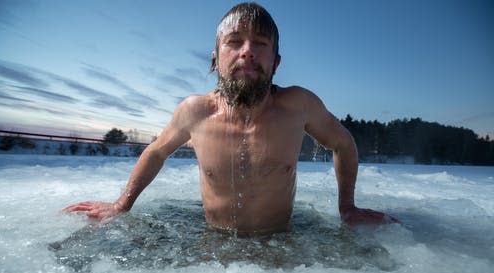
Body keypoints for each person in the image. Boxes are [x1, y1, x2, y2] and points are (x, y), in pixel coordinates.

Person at [63, 2, 397, 235]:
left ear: (276, 62)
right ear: (215, 59)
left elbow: (343, 143)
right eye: (234, 42)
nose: (247, 51)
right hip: (214, 241)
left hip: (281, 240)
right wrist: (122, 204)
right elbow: (155, 152)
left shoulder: (298, 105)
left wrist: (347, 207)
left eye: (260, 43)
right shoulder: (195, 111)